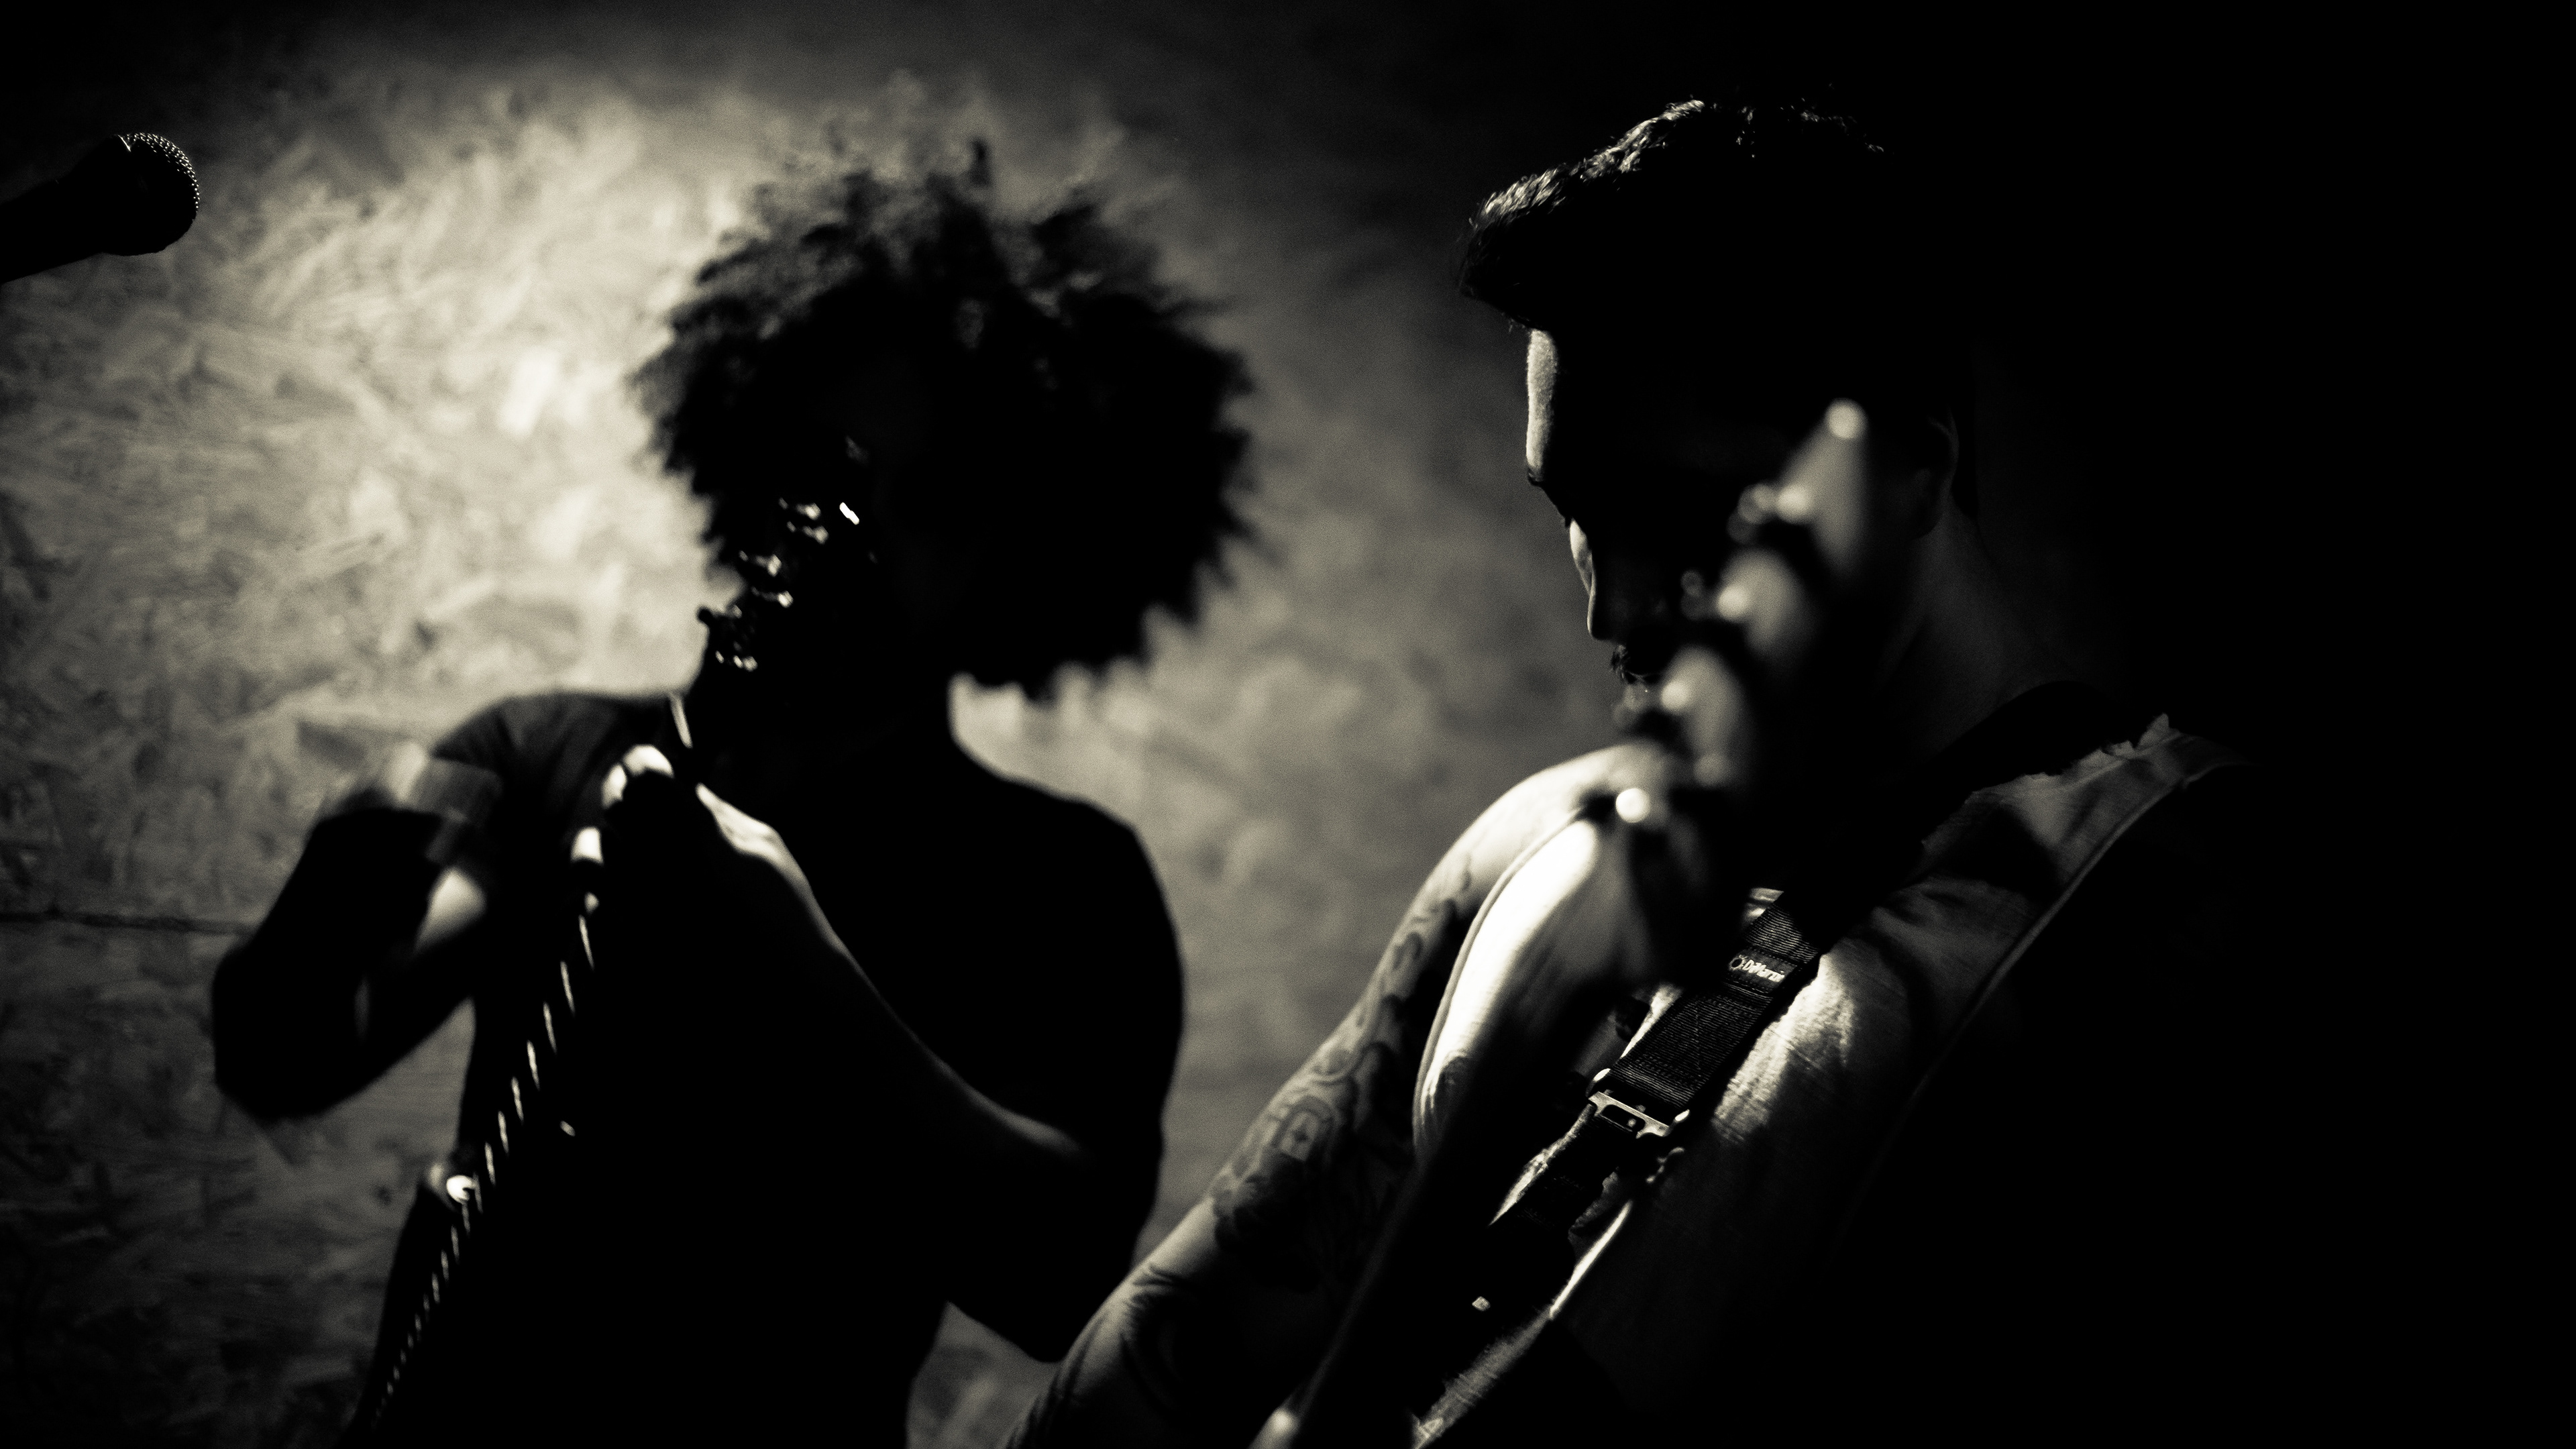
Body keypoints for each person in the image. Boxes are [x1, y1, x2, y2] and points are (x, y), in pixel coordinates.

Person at [1008, 101, 2275, 1447]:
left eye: (1680, 518)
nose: (1610, 610)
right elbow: (1182, 1346)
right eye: (1577, 516)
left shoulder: (2182, 900)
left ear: (1910, 463)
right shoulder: (1535, 848)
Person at [211, 156, 1248, 1444]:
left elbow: (1061, 1279)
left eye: (927, 498)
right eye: (824, 468)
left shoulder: (1062, 879)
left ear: (1021, 542)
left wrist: (795, 963)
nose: (857, 530)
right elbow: (296, 1055)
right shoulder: (544, 751)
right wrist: (329, 906)